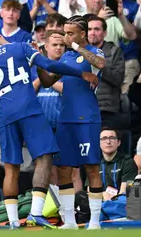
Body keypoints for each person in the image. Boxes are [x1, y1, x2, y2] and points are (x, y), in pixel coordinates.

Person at [0, 36, 99, 229]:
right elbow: (49, 64)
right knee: (44, 160)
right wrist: (81, 74)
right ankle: (35, 213)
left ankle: (14, 222)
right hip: (29, 111)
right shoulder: (18, 47)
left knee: (11, 169)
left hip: (6, 117)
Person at [37, 15, 105, 230]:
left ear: (82, 34)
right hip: (65, 119)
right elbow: (48, 81)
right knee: (64, 169)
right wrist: (38, 61)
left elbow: (101, 64)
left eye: (70, 33)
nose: (66, 37)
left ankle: (94, 222)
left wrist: (75, 46)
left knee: (92, 168)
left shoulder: (94, 52)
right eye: (64, 33)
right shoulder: (65, 57)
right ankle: (69, 222)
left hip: (87, 119)